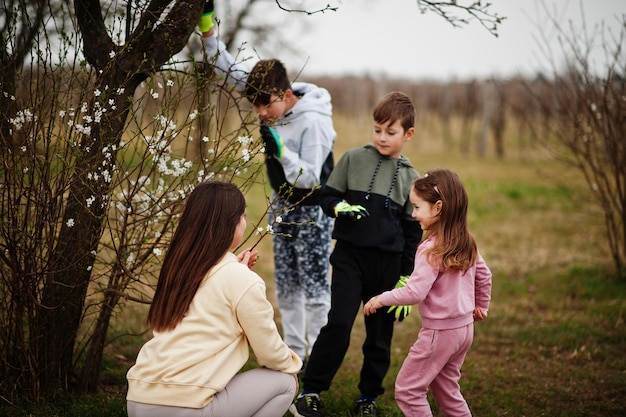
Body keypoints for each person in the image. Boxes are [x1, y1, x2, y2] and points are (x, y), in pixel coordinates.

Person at [197, 0, 336, 370]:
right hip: (283, 207)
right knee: (288, 286)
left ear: (286, 94)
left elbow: (311, 178)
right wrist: (208, 29)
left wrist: (282, 152)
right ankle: (297, 356)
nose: (260, 113)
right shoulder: (265, 91)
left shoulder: (315, 122)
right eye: (255, 106)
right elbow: (225, 68)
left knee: (315, 290)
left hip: (314, 212)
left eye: (266, 106)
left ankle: (320, 360)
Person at [291, 91, 424, 417]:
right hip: (349, 258)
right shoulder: (352, 159)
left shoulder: (411, 178)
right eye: (377, 129)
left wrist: (407, 277)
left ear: (408, 134)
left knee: (380, 336)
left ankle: (368, 399)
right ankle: (310, 391)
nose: (381, 137)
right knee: (337, 323)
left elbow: (413, 234)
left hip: (388, 268)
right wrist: (338, 207)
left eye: (390, 132)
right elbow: (326, 197)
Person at [126, 181, 302, 417]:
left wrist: (238, 272)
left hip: (139, 399)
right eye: (243, 215)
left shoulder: (179, 266)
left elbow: (214, 292)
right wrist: (293, 367)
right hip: (184, 406)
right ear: (231, 223)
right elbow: (269, 352)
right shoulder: (240, 280)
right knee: (285, 382)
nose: (244, 221)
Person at [363, 168, 493, 417]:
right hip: (464, 331)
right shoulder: (466, 242)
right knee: (447, 389)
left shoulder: (430, 249)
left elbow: (415, 292)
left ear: (438, 207)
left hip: (439, 333)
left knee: (408, 391)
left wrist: (381, 298)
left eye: (417, 207)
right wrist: (481, 305)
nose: (413, 214)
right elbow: (485, 276)